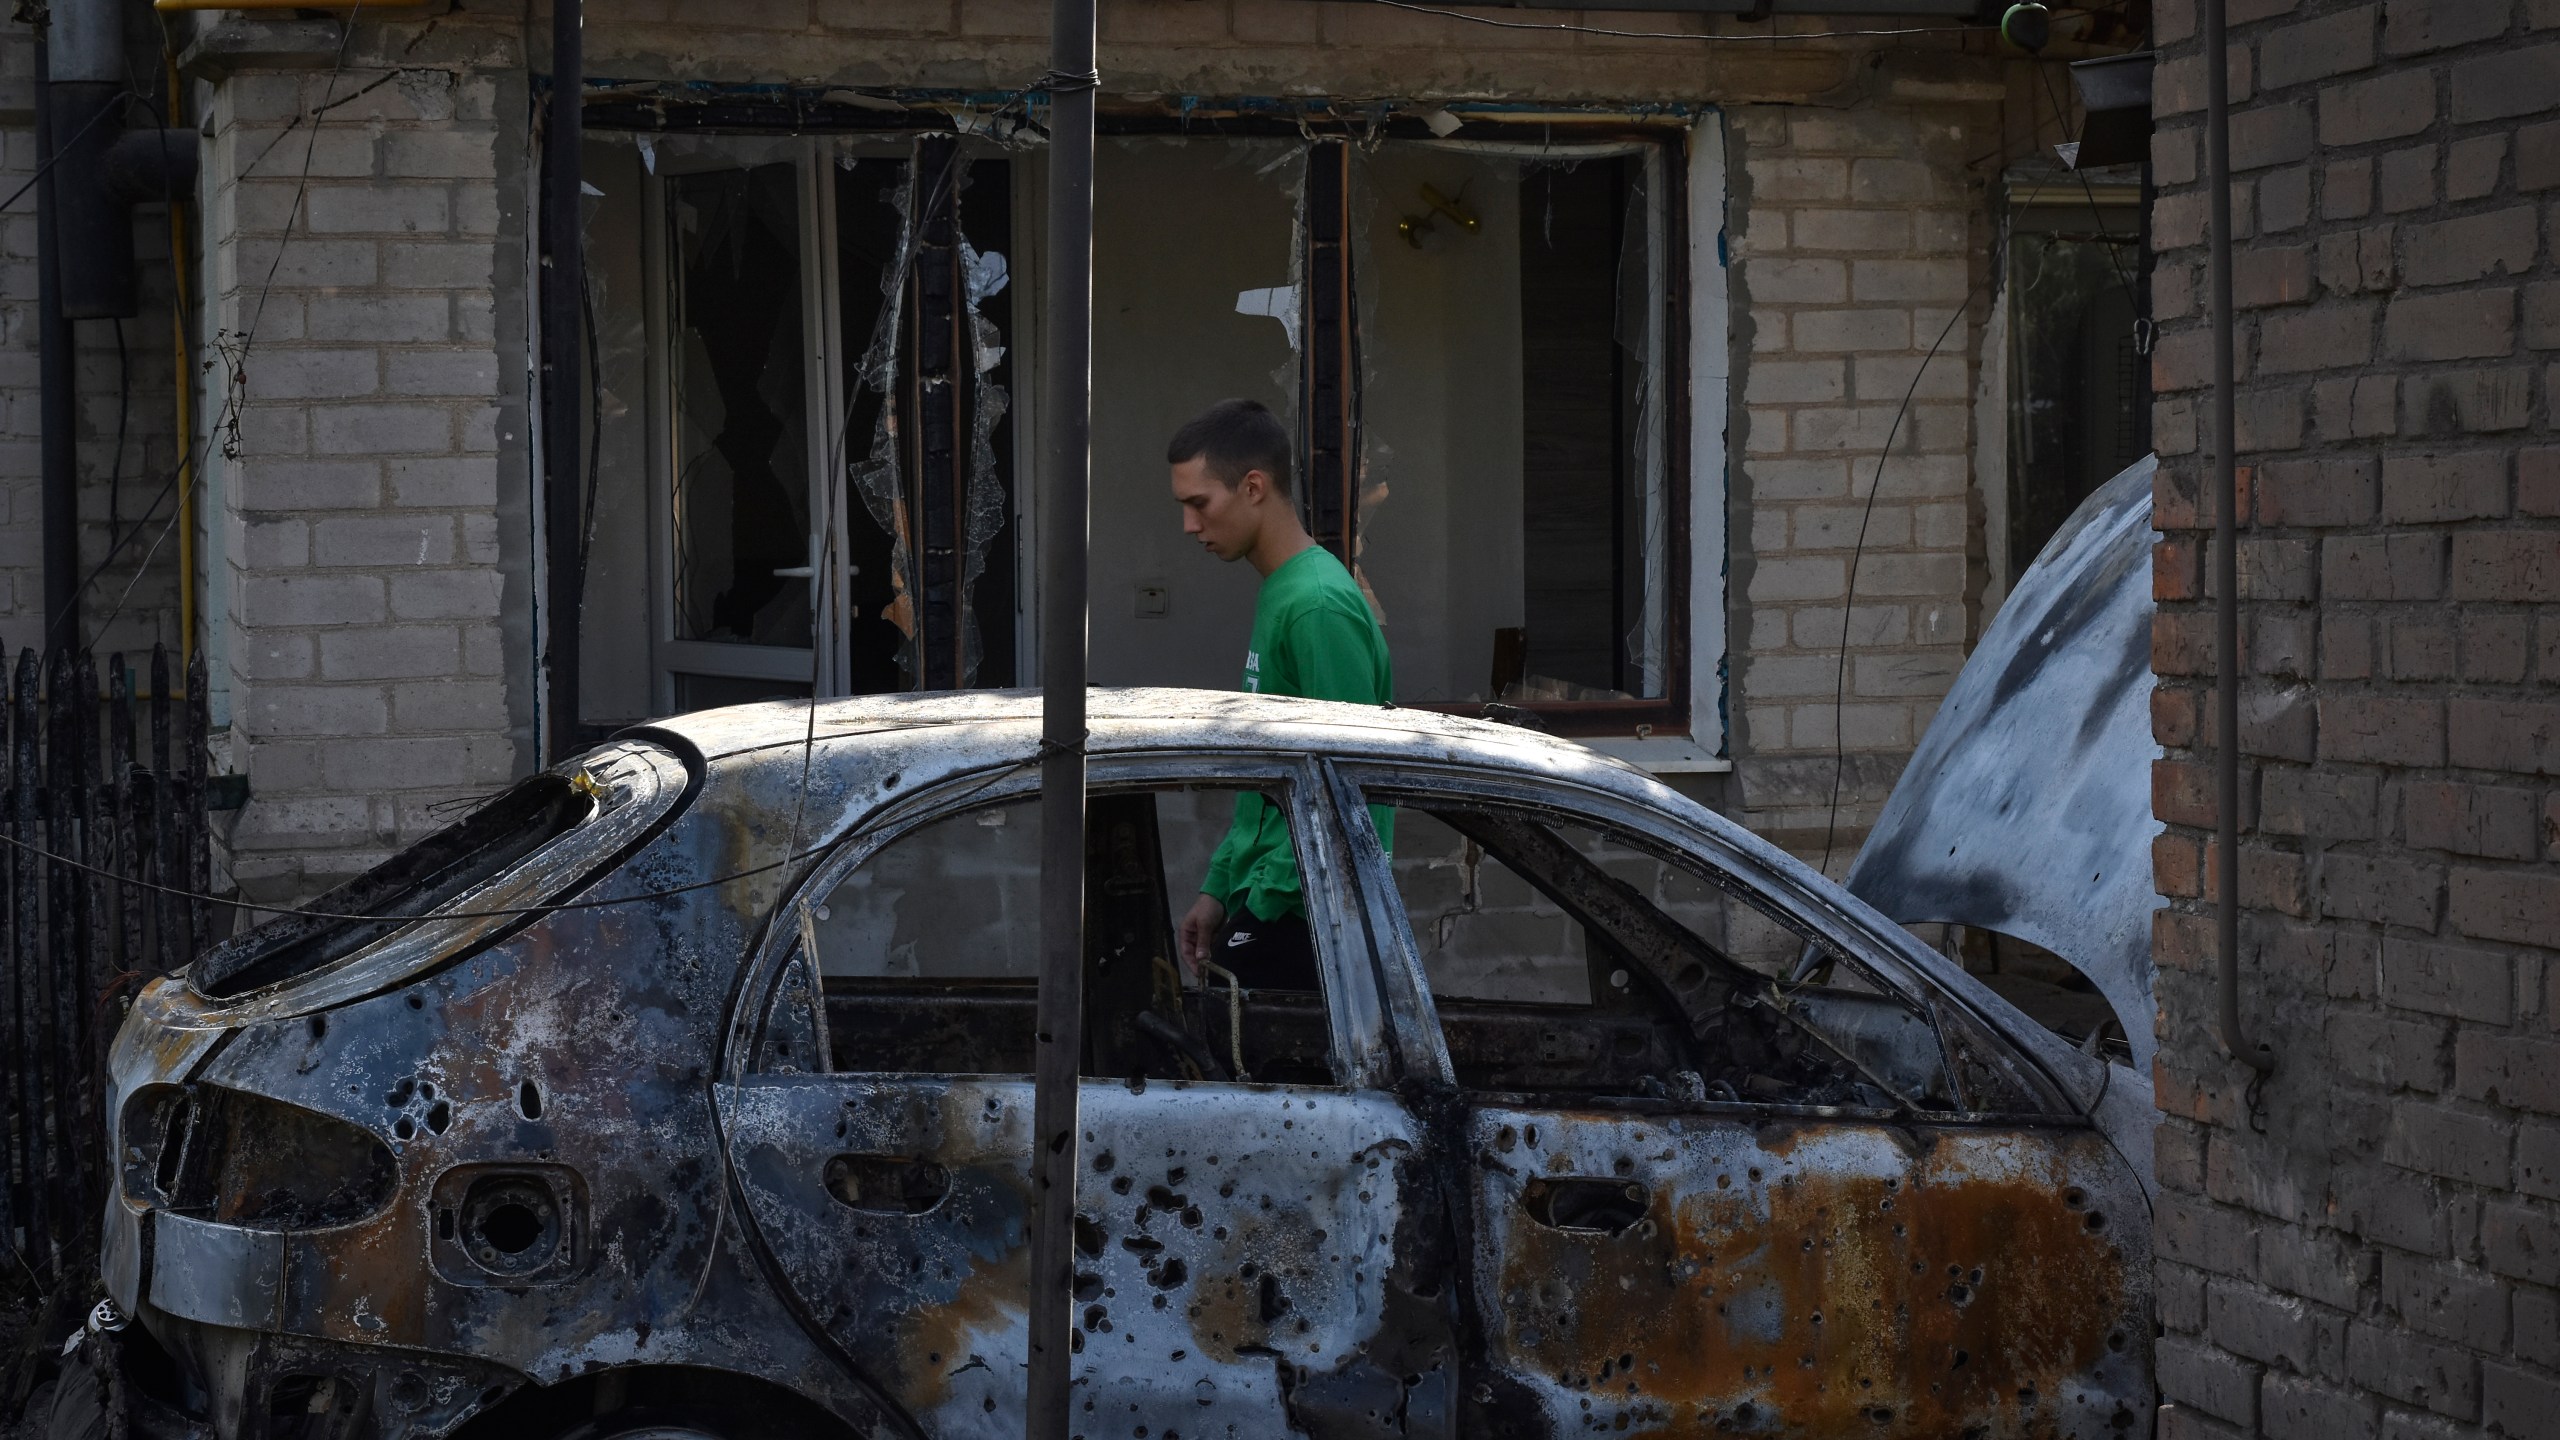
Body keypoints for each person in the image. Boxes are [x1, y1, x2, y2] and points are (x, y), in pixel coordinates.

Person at [1168, 398, 1392, 990]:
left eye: (1199, 504)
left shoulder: (1315, 605)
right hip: (1283, 893)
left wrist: (1262, 906)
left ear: (1253, 487)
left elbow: (1350, 784)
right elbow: (1274, 779)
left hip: (1309, 906)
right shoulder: (1284, 591)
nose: (1190, 526)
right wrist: (1221, 889)